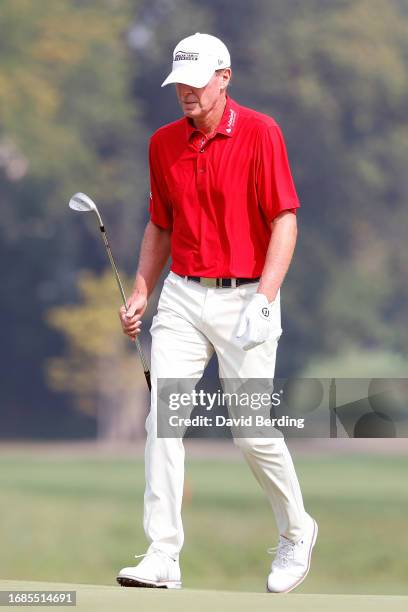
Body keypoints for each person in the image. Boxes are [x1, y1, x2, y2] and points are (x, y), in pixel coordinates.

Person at [117, 32, 317, 593]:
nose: (186, 92)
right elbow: (161, 224)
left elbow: (285, 220)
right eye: (179, 82)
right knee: (164, 420)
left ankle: (297, 531)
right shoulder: (162, 144)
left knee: (251, 429)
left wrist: (266, 297)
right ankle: (162, 554)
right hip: (182, 293)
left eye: (197, 82)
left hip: (247, 295)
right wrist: (140, 292)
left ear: (224, 78)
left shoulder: (260, 133)